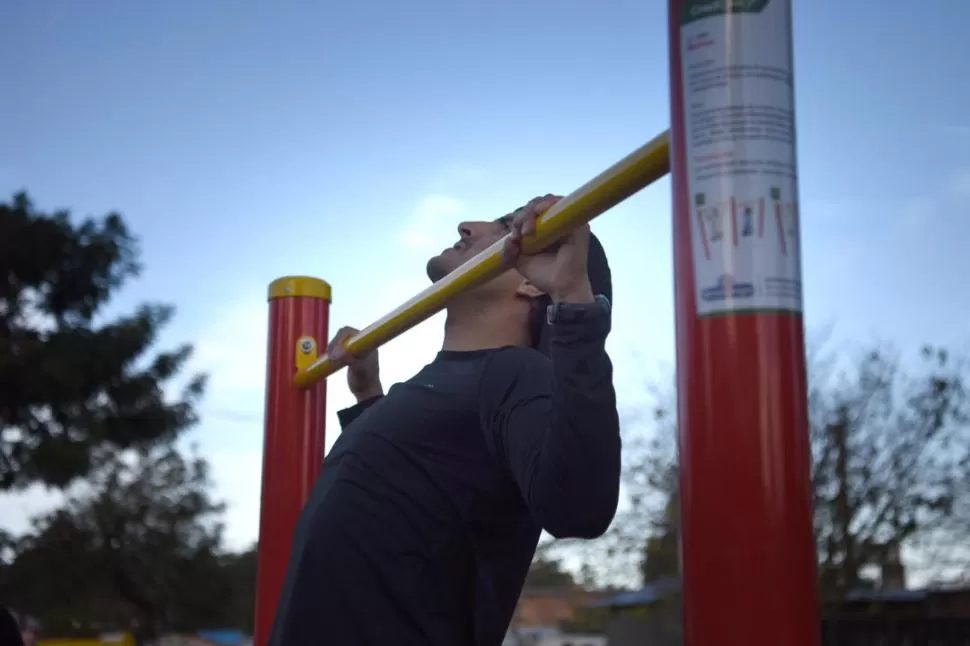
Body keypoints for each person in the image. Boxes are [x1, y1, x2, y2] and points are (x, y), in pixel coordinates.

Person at [269, 195, 620, 646]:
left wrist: (572, 300)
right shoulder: (439, 385)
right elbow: (401, 496)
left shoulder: (515, 374)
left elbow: (581, 507)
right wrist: (368, 397)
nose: (466, 226)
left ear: (533, 283)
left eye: (504, 226)